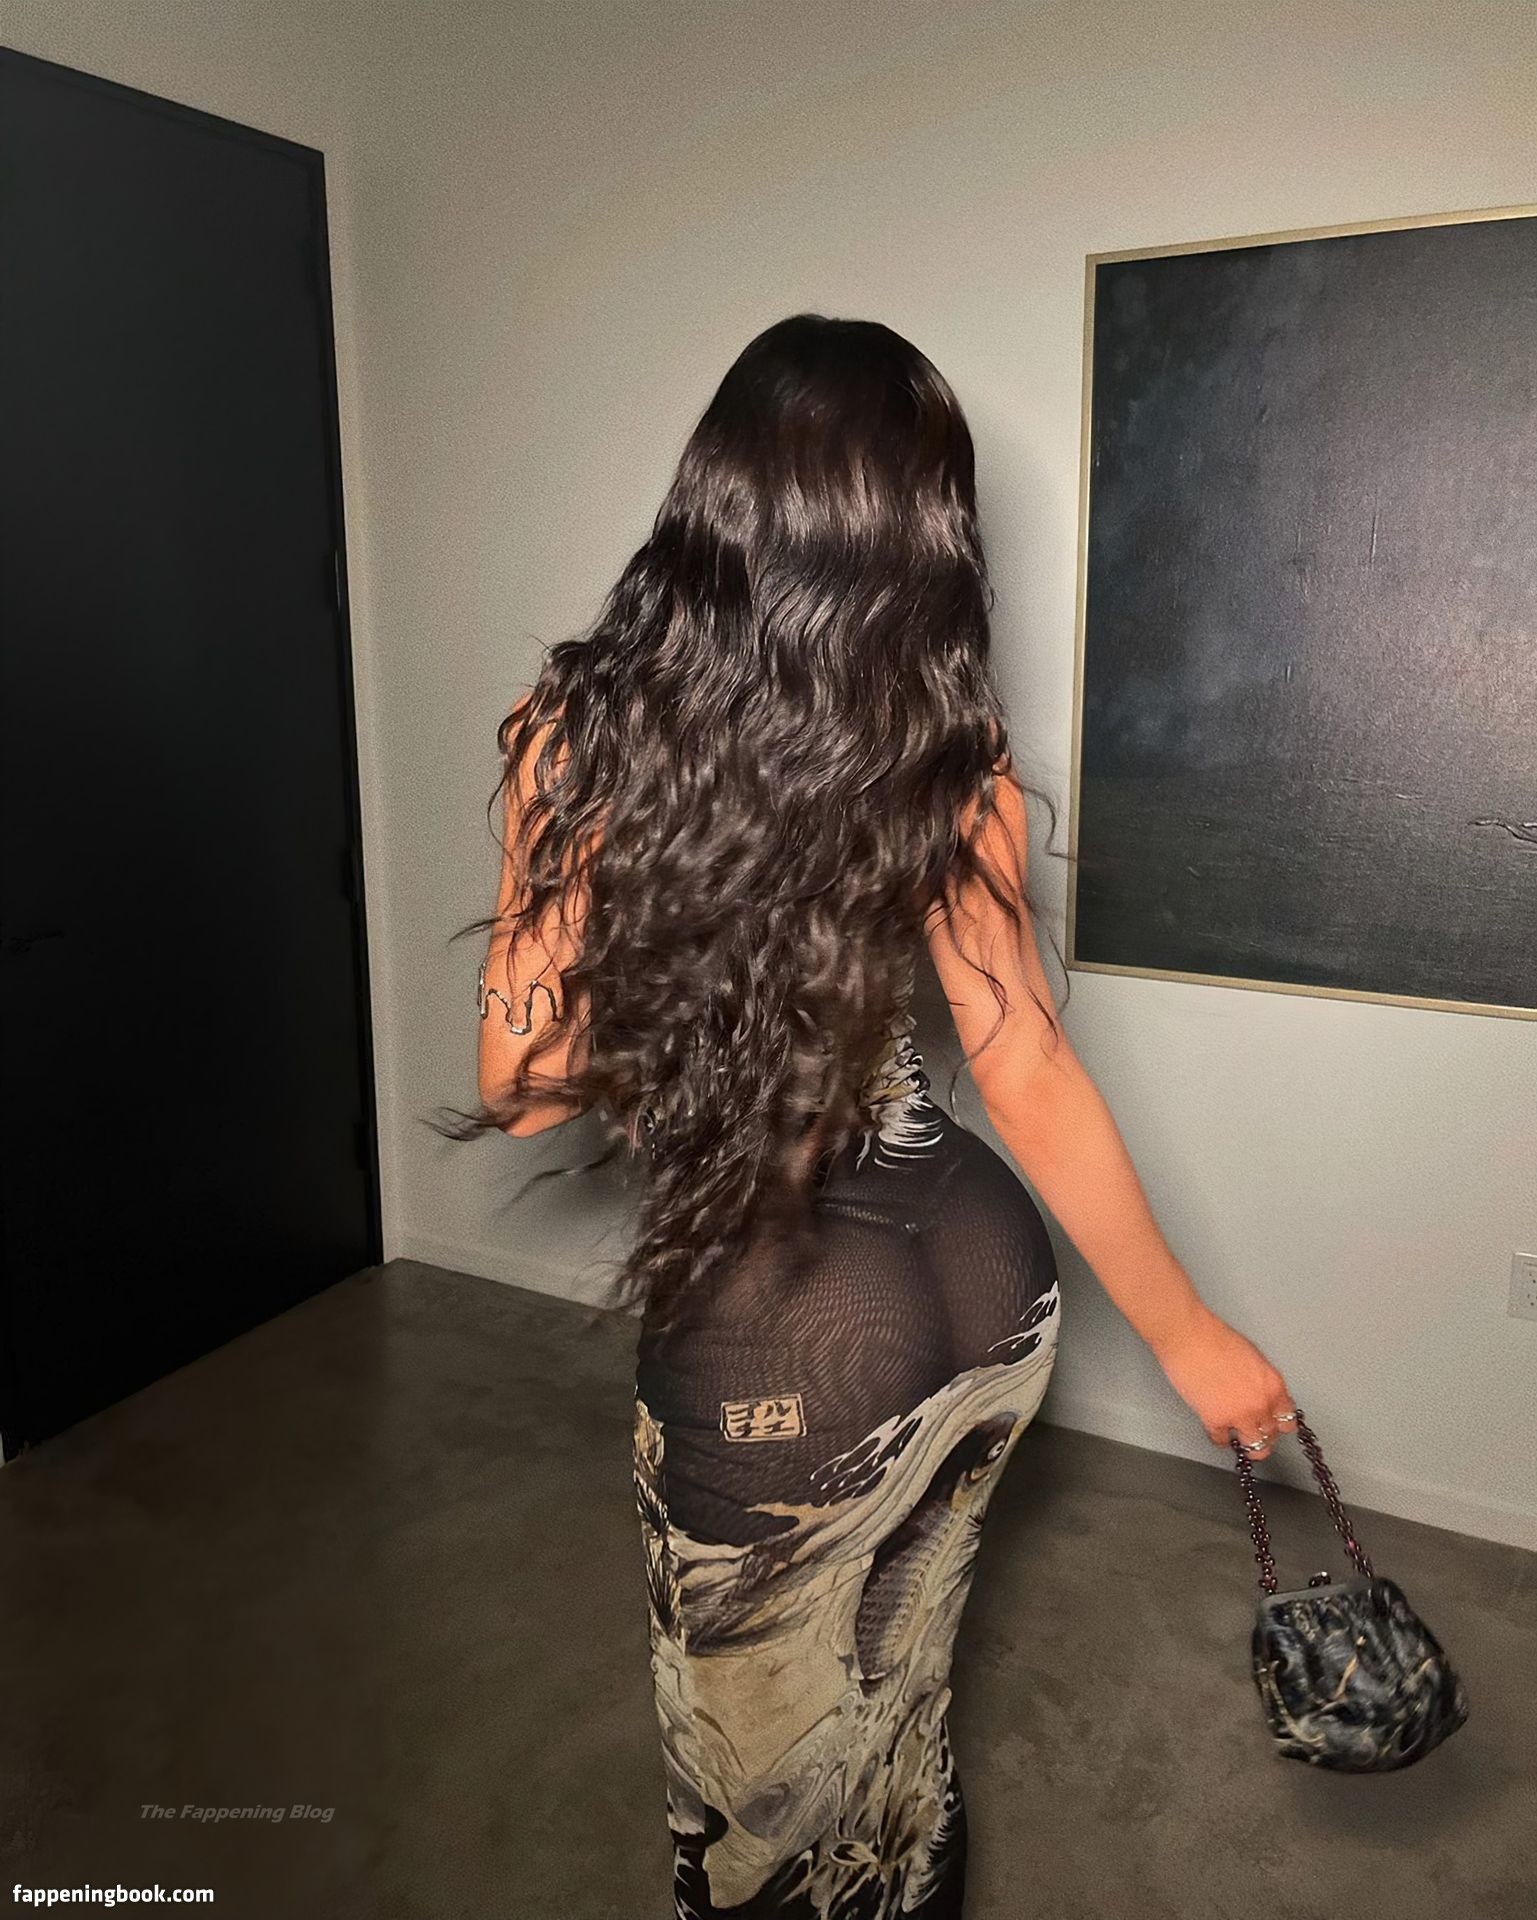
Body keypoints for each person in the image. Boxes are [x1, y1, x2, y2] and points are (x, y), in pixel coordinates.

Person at [447, 314, 1296, 1918]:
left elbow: (521, 1093)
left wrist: (547, 871)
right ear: (924, 536)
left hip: (781, 1331)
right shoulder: (947, 753)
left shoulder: (580, 737)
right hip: (980, 1279)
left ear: (716, 498)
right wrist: (1191, 1340)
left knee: (757, 1791)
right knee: (900, 1707)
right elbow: (1023, 1068)